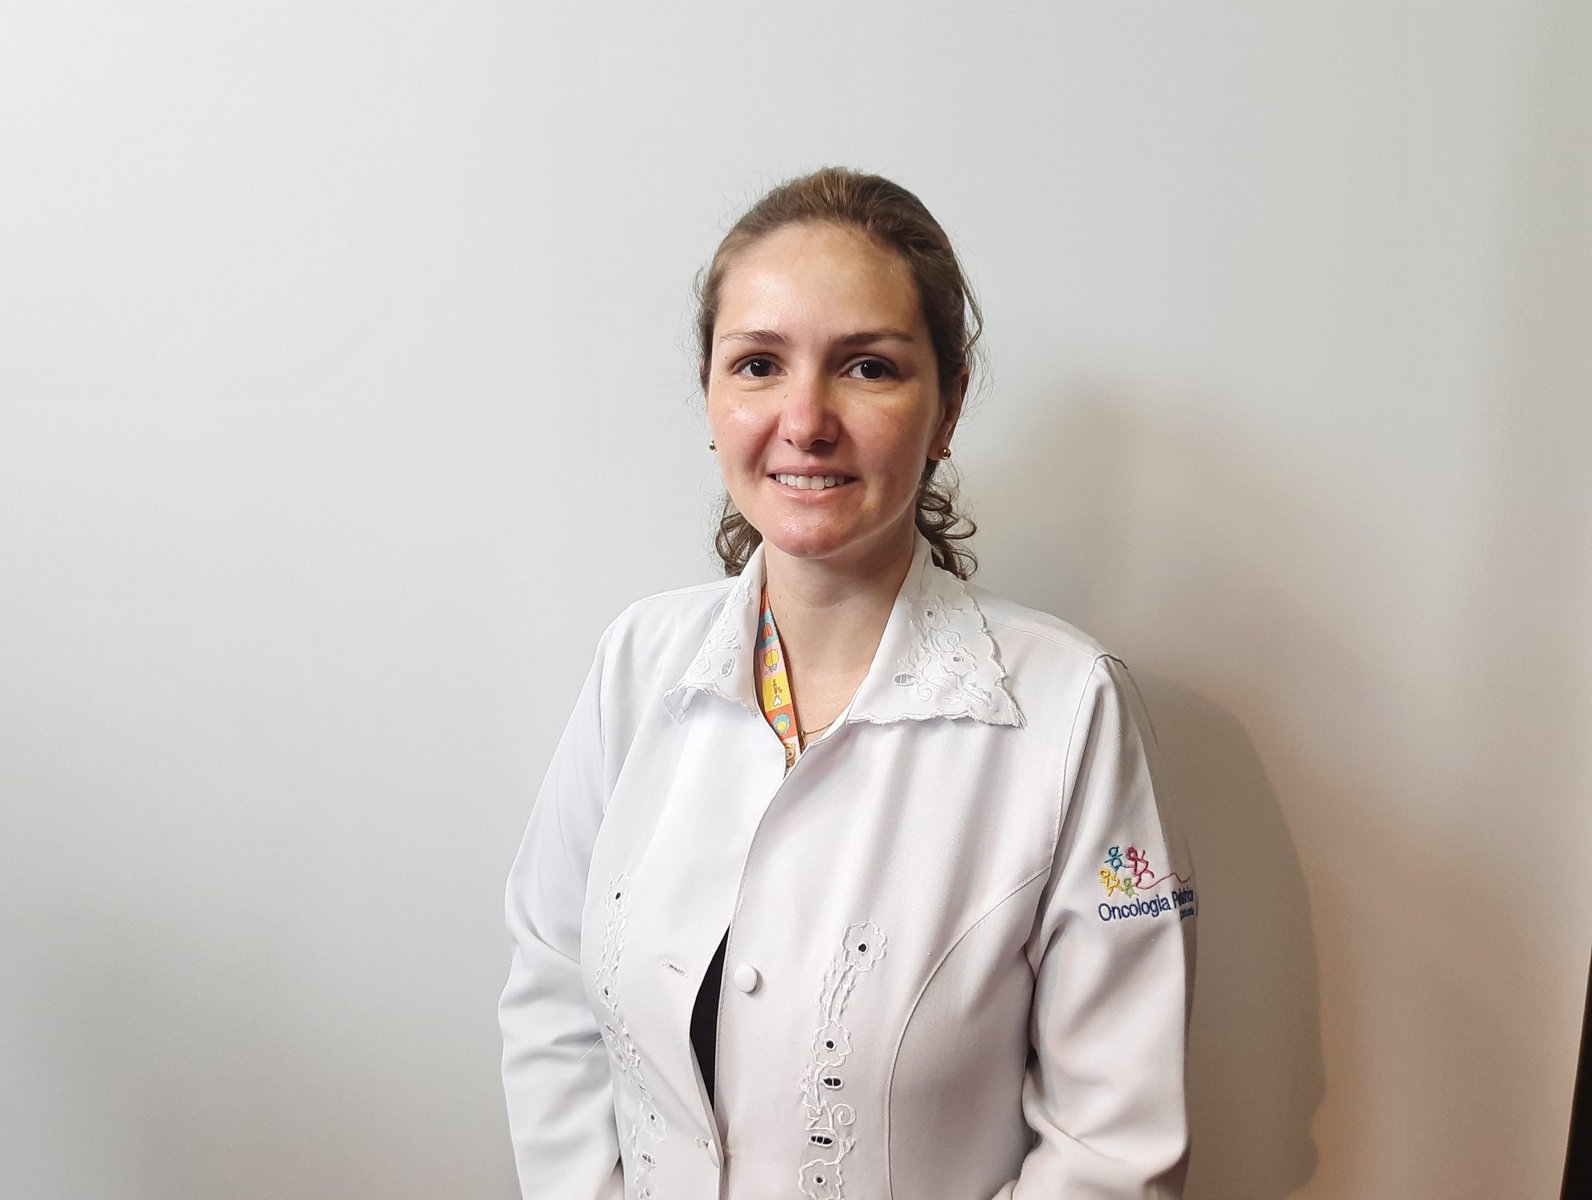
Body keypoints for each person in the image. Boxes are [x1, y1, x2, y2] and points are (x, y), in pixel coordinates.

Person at [499, 166, 1196, 1199]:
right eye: (758, 364)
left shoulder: (1068, 709)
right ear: (710, 396)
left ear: (947, 406)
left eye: (867, 367)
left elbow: (1113, 1150)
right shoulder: (636, 663)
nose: (805, 419)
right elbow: (551, 1000)